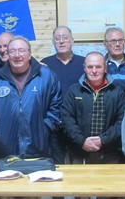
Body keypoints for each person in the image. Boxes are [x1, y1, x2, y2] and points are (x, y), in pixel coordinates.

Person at [0, 36, 62, 160]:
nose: (17, 55)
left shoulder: (46, 76)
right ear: (8, 55)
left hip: (39, 149)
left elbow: (56, 106)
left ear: (29, 54)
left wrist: (45, 128)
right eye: (12, 51)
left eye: (22, 50)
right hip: (5, 151)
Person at [61, 52, 125, 164]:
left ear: (105, 68)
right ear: (84, 68)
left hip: (110, 154)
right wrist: (82, 141)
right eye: (90, 67)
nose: (94, 70)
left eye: (98, 66)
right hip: (78, 153)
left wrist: (103, 140)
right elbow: (66, 119)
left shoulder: (117, 92)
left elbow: (122, 121)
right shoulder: (73, 91)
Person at [41, 26, 85, 164]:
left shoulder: (83, 63)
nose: (61, 41)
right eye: (57, 38)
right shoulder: (45, 64)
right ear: (53, 42)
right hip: (55, 124)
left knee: (78, 164)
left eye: (65, 38)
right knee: (56, 164)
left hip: (78, 124)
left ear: (72, 41)